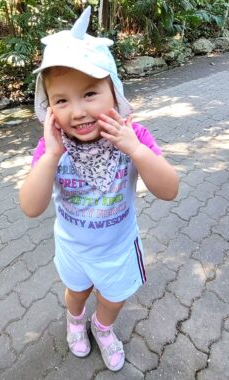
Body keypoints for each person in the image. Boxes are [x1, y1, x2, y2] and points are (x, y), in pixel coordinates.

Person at [19, 6, 179, 372]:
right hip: (74, 247)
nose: (77, 111)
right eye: (61, 100)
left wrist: (136, 150)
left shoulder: (132, 137)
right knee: (76, 292)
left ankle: (102, 327)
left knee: (114, 297)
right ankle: (75, 320)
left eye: (90, 93)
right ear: (48, 108)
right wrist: (49, 158)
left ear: (114, 91)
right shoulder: (53, 147)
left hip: (118, 248)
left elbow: (169, 190)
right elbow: (30, 207)